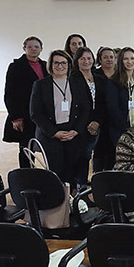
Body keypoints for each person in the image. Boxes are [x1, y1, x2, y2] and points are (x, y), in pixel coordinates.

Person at [30, 50, 91, 187]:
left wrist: (76, 131)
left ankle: (72, 202)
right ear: (50, 65)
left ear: (69, 65)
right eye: (56, 63)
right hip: (51, 135)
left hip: (72, 133)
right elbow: (35, 113)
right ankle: (57, 202)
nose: (60, 66)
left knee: (72, 172)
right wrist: (54, 133)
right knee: (56, 173)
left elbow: (86, 109)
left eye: (63, 63)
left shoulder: (77, 83)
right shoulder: (40, 85)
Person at [3, 36, 48, 168]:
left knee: (44, 145)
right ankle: (27, 177)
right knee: (26, 147)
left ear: (41, 49)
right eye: (30, 47)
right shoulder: (15, 67)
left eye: (36, 46)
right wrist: (15, 117)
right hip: (25, 113)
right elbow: (9, 93)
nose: (33, 49)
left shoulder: (46, 66)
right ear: (24, 48)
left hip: (43, 113)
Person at [71, 47, 107, 189]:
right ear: (77, 61)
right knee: (80, 156)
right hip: (78, 124)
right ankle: (79, 186)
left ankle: (84, 184)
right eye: (82, 58)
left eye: (89, 58)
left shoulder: (99, 78)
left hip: (95, 123)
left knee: (87, 154)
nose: (86, 61)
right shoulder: (72, 79)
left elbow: (102, 102)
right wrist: (85, 123)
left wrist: (97, 121)